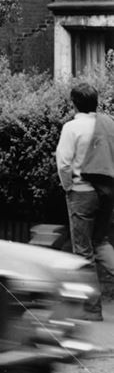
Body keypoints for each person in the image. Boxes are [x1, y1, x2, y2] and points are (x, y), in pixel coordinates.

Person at [55, 81, 114, 320]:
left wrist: (69, 187)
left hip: (82, 192)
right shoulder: (109, 124)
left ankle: (91, 309)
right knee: (101, 242)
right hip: (107, 192)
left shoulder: (72, 127)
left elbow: (64, 163)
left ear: (74, 103)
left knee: (83, 251)